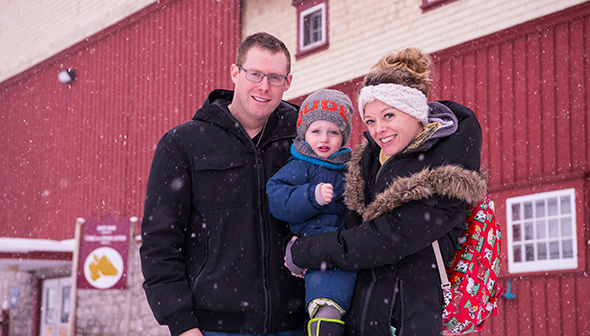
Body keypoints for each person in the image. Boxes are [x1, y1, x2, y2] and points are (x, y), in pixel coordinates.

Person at [285, 47, 487, 335]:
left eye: (388, 115)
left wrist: (306, 250)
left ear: (415, 113)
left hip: (409, 322)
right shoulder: (371, 162)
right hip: (365, 321)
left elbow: (386, 239)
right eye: (370, 121)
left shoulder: (443, 170)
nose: (379, 129)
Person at [139, 32, 307, 336]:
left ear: (288, 81)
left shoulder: (305, 138)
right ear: (235, 72)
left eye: (275, 77)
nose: (264, 86)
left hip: (297, 324)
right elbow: (159, 241)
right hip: (215, 328)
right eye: (254, 74)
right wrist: (180, 323)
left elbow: (336, 210)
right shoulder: (184, 144)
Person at [266, 89, 357, 336]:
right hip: (318, 248)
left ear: (344, 137)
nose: (324, 139)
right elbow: (276, 197)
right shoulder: (301, 166)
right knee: (328, 299)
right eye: (316, 131)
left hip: (349, 246)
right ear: (304, 133)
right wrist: (311, 196)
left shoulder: (349, 168)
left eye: (333, 132)